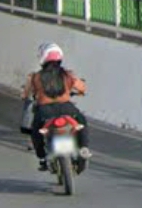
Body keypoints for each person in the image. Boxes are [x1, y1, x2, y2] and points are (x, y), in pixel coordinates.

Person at [21, 42, 91, 172]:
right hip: (67, 108)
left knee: (36, 131)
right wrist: (79, 90)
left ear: (42, 58)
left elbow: (25, 94)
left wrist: (27, 95)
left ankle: (42, 158)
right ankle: (84, 148)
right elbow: (82, 87)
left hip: (45, 111)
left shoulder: (35, 77)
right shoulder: (68, 75)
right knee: (82, 121)